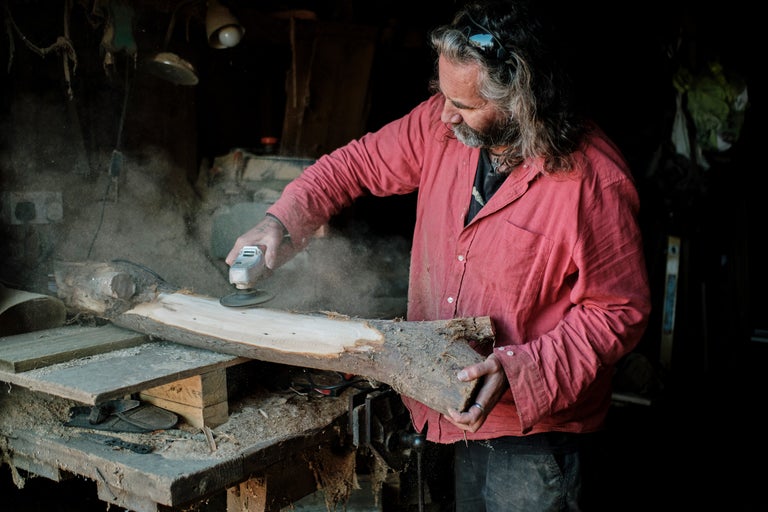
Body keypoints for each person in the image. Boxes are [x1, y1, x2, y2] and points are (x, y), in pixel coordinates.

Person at [226, 1, 652, 510]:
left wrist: (521, 369)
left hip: (535, 433)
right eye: (442, 94)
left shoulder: (593, 182)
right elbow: (354, 165)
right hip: (448, 401)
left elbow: (619, 312)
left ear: (522, 100)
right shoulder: (441, 126)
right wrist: (280, 221)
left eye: (466, 105)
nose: (446, 114)